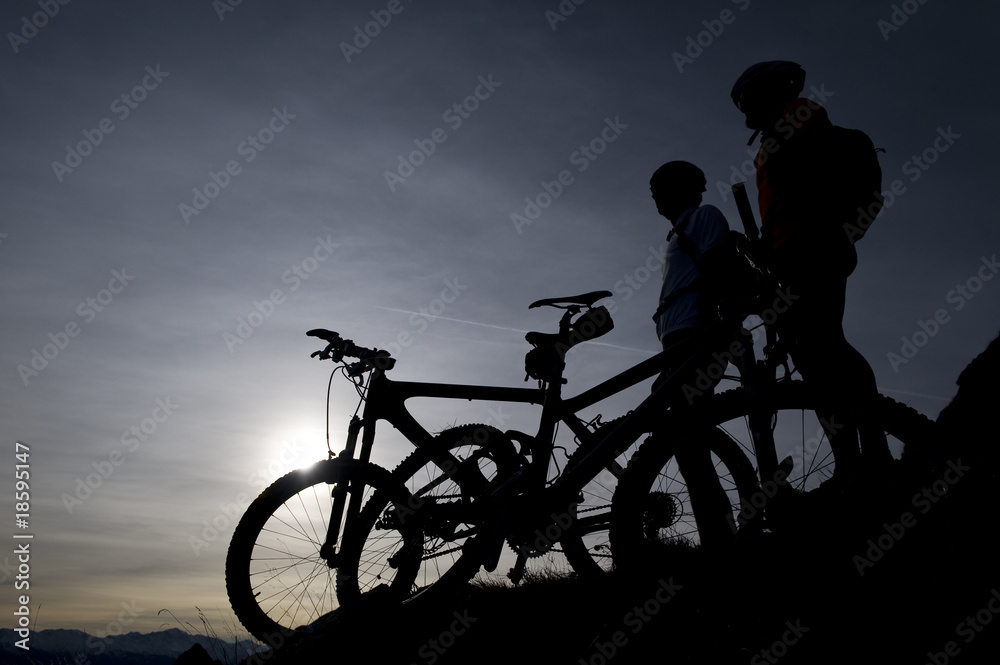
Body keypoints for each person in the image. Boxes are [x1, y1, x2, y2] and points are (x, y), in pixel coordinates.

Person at [729, 60, 892, 482]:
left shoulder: (798, 119)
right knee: (813, 358)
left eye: (747, 101)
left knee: (825, 346)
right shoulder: (772, 138)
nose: (743, 112)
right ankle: (851, 461)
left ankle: (872, 454)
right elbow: (786, 204)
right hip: (792, 256)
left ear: (769, 93)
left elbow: (804, 194)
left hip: (811, 253)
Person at [648, 160, 741, 546]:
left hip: (696, 337)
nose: (654, 198)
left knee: (683, 432)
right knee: (681, 434)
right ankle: (719, 531)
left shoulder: (704, 217)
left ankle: (720, 536)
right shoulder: (678, 233)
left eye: (660, 188)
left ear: (684, 188)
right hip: (678, 343)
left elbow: (720, 268)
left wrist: (726, 330)